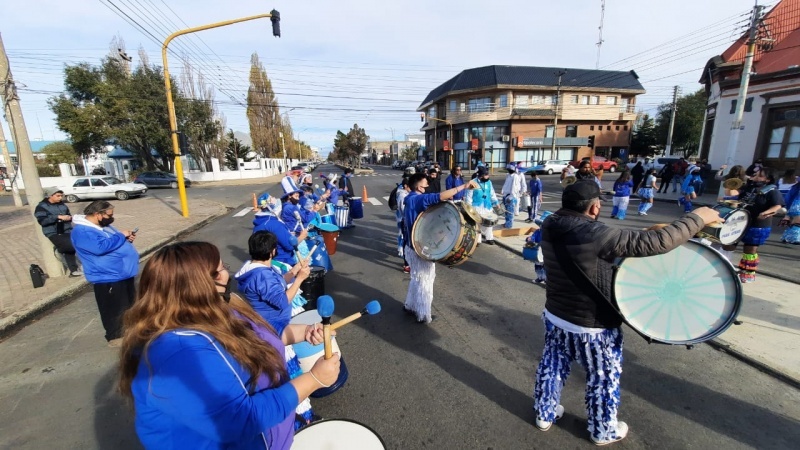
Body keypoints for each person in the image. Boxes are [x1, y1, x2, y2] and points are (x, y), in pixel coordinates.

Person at [532, 180, 721, 445]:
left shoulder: (551, 223)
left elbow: (606, 246)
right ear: (595, 207)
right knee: (602, 378)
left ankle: (545, 413)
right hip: (593, 326)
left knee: (552, 366)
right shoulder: (596, 234)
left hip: (556, 316)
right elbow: (658, 242)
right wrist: (698, 217)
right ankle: (602, 430)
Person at [119, 241, 340, 449]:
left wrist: (306, 332)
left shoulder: (220, 308)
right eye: (219, 269)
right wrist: (314, 379)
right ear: (198, 286)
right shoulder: (177, 353)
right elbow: (242, 420)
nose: (226, 272)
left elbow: (258, 337)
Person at [403, 173, 478, 323]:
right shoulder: (419, 199)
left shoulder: (409, 199)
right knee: (425, 281)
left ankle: (410, 305)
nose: (427, 187)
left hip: (410, 247)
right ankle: (423, 315)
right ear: (419, 187)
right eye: (425, 185)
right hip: (420, 250)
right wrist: (464, 186)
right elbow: (440, 196)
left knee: (417, 278)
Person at [70, 200, 139, 347]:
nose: (111, 217)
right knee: (114, 309)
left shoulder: (102, 226)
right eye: (109, 214)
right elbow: (100, 248)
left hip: (123, 274)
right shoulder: (82, 231)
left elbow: (113, 242)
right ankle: (115, 337)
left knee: (128, 306)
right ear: (97, 214)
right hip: (107, 277)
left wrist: (127, 239)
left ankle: (131, 333)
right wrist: (121, 236)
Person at [723, 168, 784, 283]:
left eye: (760, 176)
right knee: (728, 244)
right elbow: (738, 197)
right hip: (741, 221)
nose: (756, 177)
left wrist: (765, 213)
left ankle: (747, 274)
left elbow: (777, 206)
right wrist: (727, 198)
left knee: (749, 250)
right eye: (756, 175)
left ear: (768, 179)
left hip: (758, 224)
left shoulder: (772, 191)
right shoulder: (749, 187)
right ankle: (724, 268)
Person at [34, 188, 82, 276]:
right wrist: (57, 217)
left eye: (61, 196)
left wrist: (68, 217)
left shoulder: (62, 205)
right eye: (58, 196)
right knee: (68, 246)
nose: (60, 198)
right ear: (50, 196)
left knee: (72, 248)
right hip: (53, 232)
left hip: (67, 229)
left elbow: (68, 214)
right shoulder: (41, 207)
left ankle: (74, 270)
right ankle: (60, 249)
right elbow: (42, 221)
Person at [254, 194, 308, 266]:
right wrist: (302, 236)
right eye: (274, 200)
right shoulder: (274, 224)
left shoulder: (259, 223)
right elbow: (290, 245)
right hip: (282, 261)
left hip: (267, 261)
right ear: (270, 206)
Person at [465, 166, 499, 244]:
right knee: (477, 224)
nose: (488, 176)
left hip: (487, 207)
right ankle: (477, 240)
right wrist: (469, 209)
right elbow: (468, 197)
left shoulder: (489, 182)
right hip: (477, 208)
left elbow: (492, 193)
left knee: (489, 223)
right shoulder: (472, 183)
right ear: (480, 175)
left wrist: (496, 202)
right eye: (486, 175)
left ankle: (489, 238)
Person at [396, 177, 412, 272]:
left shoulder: (405, 193)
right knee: (405, 241)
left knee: (406, 241)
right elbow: (403, 210)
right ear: (406, 186)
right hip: (403, 220)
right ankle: (406, 265)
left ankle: (407, 262)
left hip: (404, 220)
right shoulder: (402, 196)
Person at [501, 164, 522, 229]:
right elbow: (506, 184)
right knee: (506, 212)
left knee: (510, 212)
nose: (508, 170)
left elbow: (515, 187)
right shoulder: (508, 176)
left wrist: (511, 196)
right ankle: (506, 223)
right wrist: (503, 191)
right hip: (506, 195)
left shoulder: (515, 176)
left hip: (510, 197)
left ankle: (509, 225)